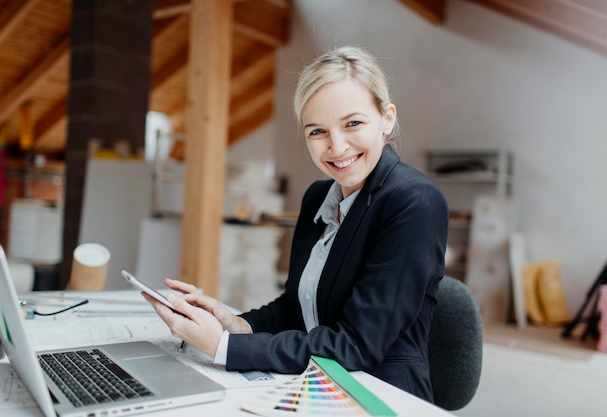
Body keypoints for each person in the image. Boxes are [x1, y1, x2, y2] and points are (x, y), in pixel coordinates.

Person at [144, 45, 448, 402]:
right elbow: (296, 308)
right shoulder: (318, 198)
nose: (336, 147)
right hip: (314, 380)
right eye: (317, 131)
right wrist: (236, 324)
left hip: (378, 392)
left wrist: (225, 347)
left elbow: (357, 345)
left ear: (387, 118)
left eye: (353, 123)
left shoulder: (414, 202)